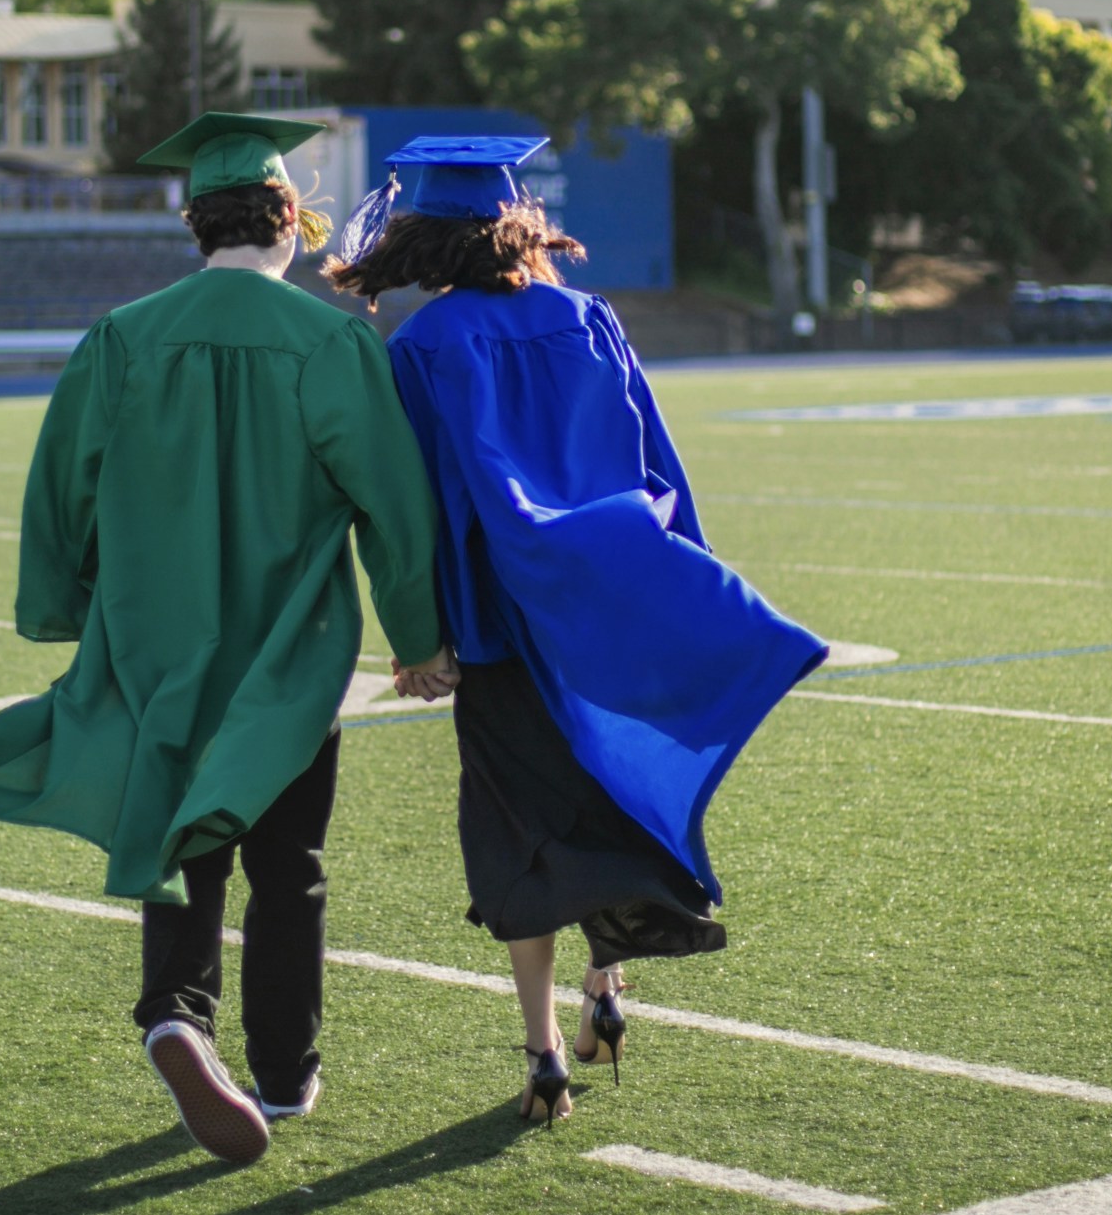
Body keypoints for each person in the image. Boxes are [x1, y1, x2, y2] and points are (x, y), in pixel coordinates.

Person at [0, 111, 453, 1168]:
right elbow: (393, 506)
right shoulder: (330, 342)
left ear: (194, 224)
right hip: (286, 652)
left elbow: (61, 488)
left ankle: (178, 1014)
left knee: (185, 847)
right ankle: (284, 1072)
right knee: (289, 864)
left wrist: (68, 608)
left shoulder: (124, 338)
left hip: (156, 641)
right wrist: (418, 639)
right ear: (285, 218)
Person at [328, 135, 825, 1126]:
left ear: (421, 238)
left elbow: (414, 505)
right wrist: (679, 578)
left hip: (502, 626)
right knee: (609, 804)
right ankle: (604, 992)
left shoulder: (422, 348)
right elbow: (656, 461)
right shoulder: (588, 317)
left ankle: (545, 1053)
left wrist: (426, 636)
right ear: (518, 224)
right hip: (609, 608)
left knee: (524, 833)